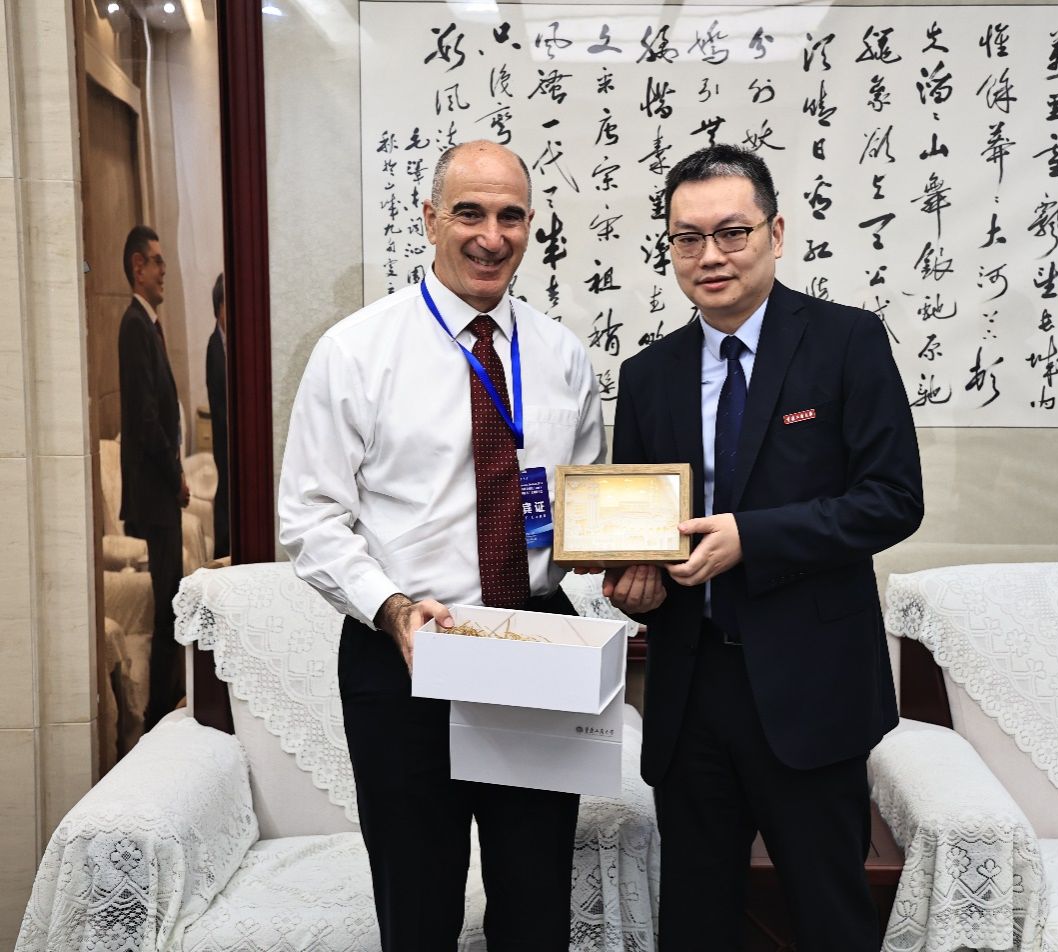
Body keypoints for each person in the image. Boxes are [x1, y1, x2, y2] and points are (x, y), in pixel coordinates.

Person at [278, 140, 605, 952]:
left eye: (510, 216)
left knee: (537, 905)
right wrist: (391, 610)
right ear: (429, 219)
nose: (491, 236)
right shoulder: (356, 350)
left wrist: (624, 570)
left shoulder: (562, 355)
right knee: (418, 907)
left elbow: (583, 506)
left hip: (532, 646)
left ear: (530, 225)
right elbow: (310, 519)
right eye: (469, 213)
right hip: (407, 651)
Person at [605, 144, 924, 951]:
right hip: (690, 689)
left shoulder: (846, 342)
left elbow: (893, 500)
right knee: (696, 920)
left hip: (812, 687)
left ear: (775, 234)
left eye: (732, 232)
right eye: (687, 238)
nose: (710, 256)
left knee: (829, 916)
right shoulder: (648, 375)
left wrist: (753, 537)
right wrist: (634, 579)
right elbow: (638, 527)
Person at [117, 224, 189, 730]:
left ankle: (165, 705)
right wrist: (175, 472)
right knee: (167, 605)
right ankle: (159, 716)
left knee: (171, 600)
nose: (165, 271)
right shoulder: (133, 326)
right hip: (156, 490)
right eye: (157, 261)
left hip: (162, 490)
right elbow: (144, 418)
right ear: (137, 266)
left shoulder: (149, 324)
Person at [205, 272, 229, 559]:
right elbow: (221, 409)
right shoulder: (214, 348)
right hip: (225, 446)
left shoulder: (226, 344)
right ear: (219, 307)